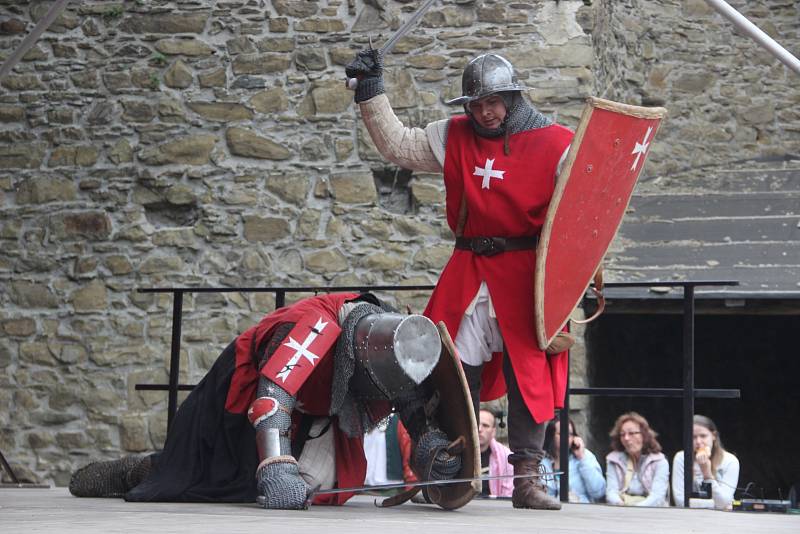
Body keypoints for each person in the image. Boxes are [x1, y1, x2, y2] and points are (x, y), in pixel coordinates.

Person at [346, 48, 576, 511]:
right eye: (476, 104)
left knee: (530, 372)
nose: (485, 112)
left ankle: (527, 480)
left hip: (527, 274)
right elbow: (398, 145)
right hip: (469, 268)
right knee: (444, 369)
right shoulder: (453, 136)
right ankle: (453, 467)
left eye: (494, 102)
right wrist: (371, 90)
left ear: (513, 98)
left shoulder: (559, 144)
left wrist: (575, 277)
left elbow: (585, 210)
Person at [69, 293, 466, 509]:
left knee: (329, 487)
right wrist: (276, 468)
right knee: (203, 477)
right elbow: (272, 401)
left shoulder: (396, 341)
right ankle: (140, 470)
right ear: (357, 360)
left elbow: (413, 401)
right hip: (247, 395)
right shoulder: (313, 329)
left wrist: (433, 451)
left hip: (314, 412)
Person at [671, 414, 740, 510]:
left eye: (703, 436)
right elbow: (680, 501)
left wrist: (707, 475)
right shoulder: (681, 458)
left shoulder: (730, 461)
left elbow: (723, 502)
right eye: (693, 437)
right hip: (690, 517)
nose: (698, 441)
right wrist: (714, 505)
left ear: (714, 436)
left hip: (722, 519)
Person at [605, 412, 669, 507]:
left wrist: (636, 509)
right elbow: (611, 492)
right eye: (622, 434)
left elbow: (658, 496)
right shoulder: (613, 460)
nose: (626, 438)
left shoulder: (660, 461)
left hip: (652, 513)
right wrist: (620, 505)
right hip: (621, 511)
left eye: (631, 433)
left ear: (644, 435)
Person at [541, 417, 606, 503]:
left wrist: (582, 458)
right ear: (551, 436)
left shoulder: (585, 456)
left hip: (581, 511)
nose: (567, 438)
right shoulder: (542, 462)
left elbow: (598, 492)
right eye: (562, 433)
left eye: (570, 434)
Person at [477, 408, 513, 497]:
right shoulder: (459, 453)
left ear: (493, 431)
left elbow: (507, 494)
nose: (479, 429)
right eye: (476, 424)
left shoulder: (506, 456)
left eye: (485, 425)